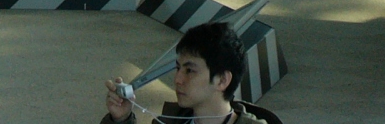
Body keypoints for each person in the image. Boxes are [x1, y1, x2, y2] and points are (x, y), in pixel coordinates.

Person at [101, 22, 270, 124]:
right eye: (178, 68)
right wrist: (121, 119)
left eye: (190, 70)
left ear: (222, 80)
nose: (178, 79)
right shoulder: (169, 120)